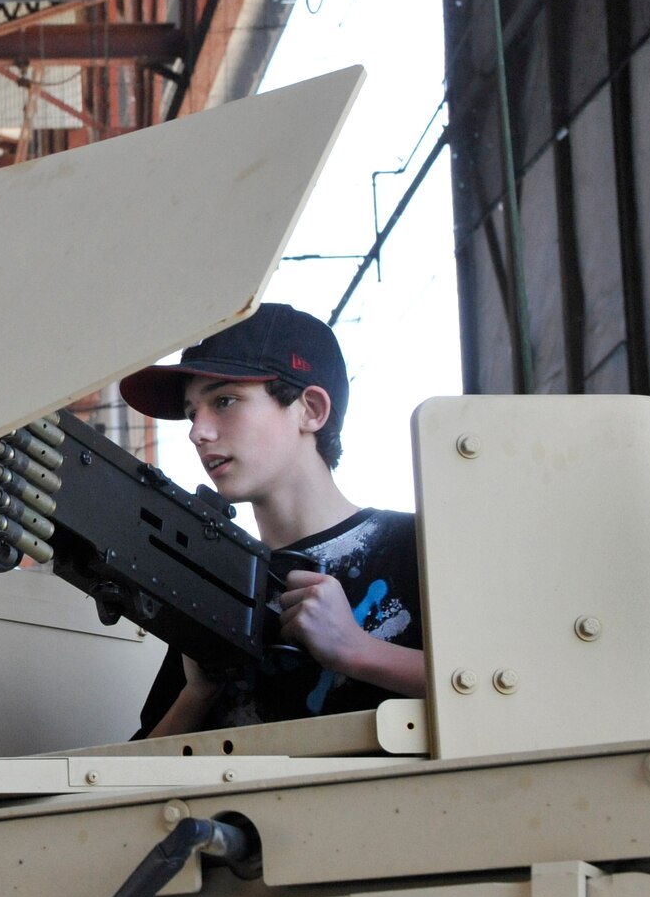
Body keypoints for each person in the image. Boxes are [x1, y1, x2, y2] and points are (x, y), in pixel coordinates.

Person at [118, 303, 426, 737]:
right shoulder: (217, 580)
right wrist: (198, 691)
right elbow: (133, 780)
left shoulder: (421, 547)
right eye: (192, 413)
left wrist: (358, 651)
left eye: (224, 401)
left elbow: (520, 690)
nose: (197, 432)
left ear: (311, 409)